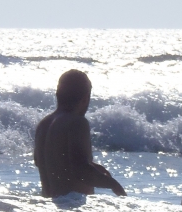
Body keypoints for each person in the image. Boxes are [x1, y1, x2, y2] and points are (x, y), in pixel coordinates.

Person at [34, 70, 126, 200]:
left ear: (57, 94)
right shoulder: (76, 122)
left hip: (48, 205)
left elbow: (49, 162)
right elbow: (81, 171)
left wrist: (92, 166)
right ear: (85, 98)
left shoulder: (43, 125)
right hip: (71, 207)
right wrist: (113, 184)